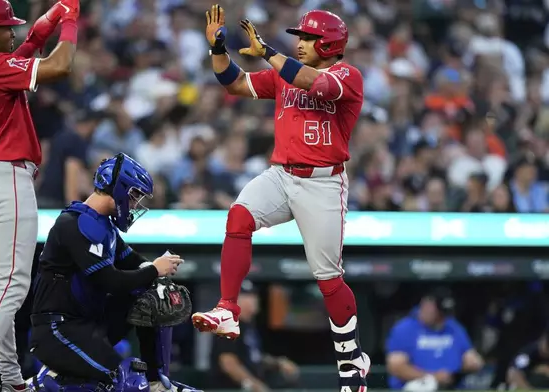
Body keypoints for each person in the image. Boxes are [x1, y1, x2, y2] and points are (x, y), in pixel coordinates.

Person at [192, 5, 370, 391]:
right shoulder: (285, 73)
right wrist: (218, 49)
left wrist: (270, 52)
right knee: (238, 216)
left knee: (328, 280)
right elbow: (234, 83)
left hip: (323, 184)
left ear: (329, 43)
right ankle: (228, 309)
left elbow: (314, 83)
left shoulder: (347, 75)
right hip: (282, 174)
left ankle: (351, 359)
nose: (301, 43)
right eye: (300, 37)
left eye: (308, 37)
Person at [0, 0, 80, 390]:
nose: (13, 32)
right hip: (5, 176)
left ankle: (10, 378)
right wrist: (71, 23)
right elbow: (60, 67)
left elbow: (23, 53)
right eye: (6, 27)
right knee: (12, 286)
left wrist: (50, 18)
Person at [27, 152, 193, 392]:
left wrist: (155, 273)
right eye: (135, 195)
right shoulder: (73, 224)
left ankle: (157, 380)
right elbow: (110, 281)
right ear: (118, 188)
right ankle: (50, 382)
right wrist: (155, 268)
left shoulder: (107, 228)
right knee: (125, 383)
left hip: (88, 326)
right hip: (57, 330)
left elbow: (135, 263)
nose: (135, 204)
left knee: (149, 291)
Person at [385, 288, 484, 391]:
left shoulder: (453, 326)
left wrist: (469, 364)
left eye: (444, 313)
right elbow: (395, 367)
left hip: (450, 387)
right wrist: (433, 377)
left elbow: (472, 358)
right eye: (439, 313)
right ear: (426, 305)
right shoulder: (405, 328)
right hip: (415, 387)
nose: (442, 318)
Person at [211, 280, 299, 392]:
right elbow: (228, 363)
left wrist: (278, 363)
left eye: (253, 296)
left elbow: (253, 357)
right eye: (245, 296)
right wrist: (255, 385)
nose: (252, 300)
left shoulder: (248, 326)